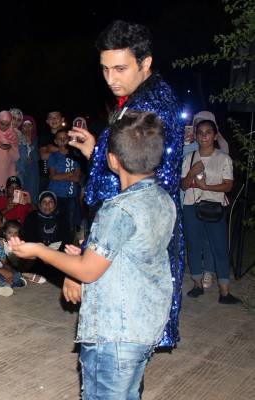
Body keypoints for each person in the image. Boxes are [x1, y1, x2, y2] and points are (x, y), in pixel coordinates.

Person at [9, 109, 176, 399]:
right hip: (145, 322)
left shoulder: (119, 209)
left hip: (115, 332)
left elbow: (88, 270)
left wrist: (38, 250)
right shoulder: (163, 198)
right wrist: (85, 254)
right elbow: (133, 255)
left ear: (112, 159)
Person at [68, 20, 186, 348]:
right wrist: (97, 151)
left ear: (145, 62)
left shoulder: (150, 109)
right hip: (136, 227)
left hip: (133, 236)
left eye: (120, 69)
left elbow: (136, 185)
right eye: (105, 69)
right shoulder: (141, 96)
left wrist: (83, 261)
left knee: (121, 333)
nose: (111, 79)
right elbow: (133, 165)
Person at [181, 119, 240, 304]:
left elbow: (228, 186)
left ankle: (224, 291)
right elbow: (183, 186)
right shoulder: (189, 157)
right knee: (194, 244)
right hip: (191, 205)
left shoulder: (223, 158)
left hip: (214, 205)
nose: (203, 136)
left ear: (215, 136)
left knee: (219, 246)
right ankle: (197, 284)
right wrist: (192, 173)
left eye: (208, 132)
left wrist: (206, 186)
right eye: (200, 132)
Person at [47, 128, 82, 238]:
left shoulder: (75, 156)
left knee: (69, 224)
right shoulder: (53, 156)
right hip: (55, 195)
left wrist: (60, 176)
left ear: (69, 140)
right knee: (54, 223)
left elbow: (77, 179)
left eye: (65, 138)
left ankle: (68, 244)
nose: (62, 141)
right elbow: (53, 176)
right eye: (59, 139)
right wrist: (70, 173)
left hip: (70, 196)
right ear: (55, 141)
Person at [38, 111, 63, 193]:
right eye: (51, 117)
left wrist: (52, 149)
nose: (54, 120)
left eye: (56, 117)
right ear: (47, 121)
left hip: (65, 176)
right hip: (46, 177)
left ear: (62, 120)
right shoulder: (43, 136)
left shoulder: (68, 136)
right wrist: (63, 151)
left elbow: (71, 154)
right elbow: (43, 156)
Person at [18, 115, 41, 199]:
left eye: (30, 126)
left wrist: (29, 142)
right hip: (20, 171)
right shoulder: (17, 140)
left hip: (32, 172)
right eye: (25, 126)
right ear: (21, 128)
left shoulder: (36, 140)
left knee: (32, 197)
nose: (27, 128)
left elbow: (36, 158)